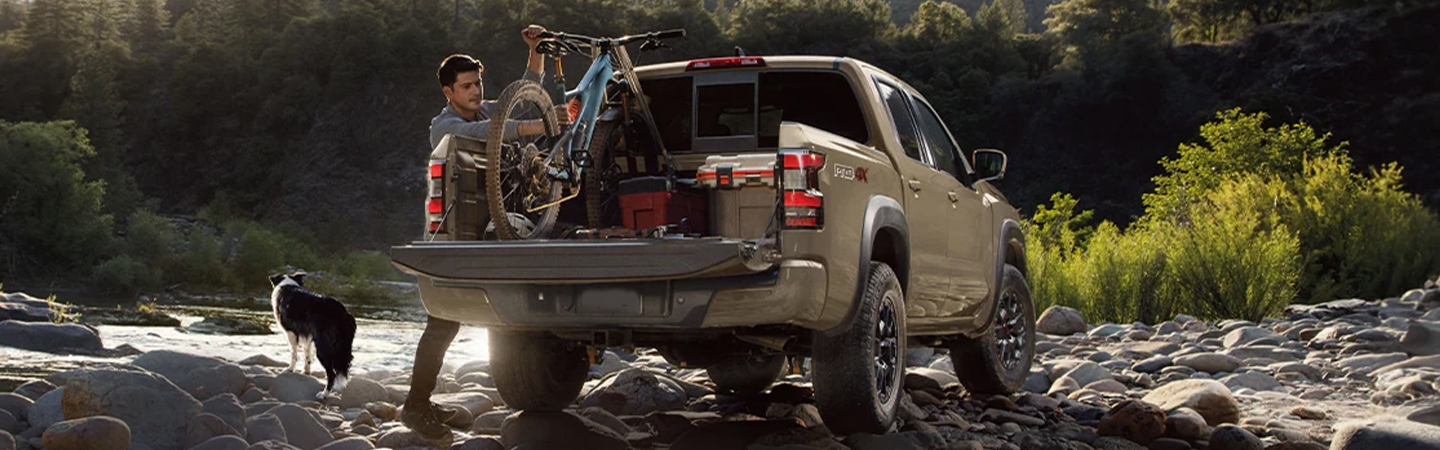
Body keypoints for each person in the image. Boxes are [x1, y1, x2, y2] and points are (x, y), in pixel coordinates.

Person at [401, 24, 557, 441]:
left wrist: (536, 52)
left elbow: (525, 97)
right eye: (467, 86)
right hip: (453, 233)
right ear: (448, 92)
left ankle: (424, 402)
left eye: (478, 83)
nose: (475, 91)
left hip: (493, 229)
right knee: (442, 323)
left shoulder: (487, 109)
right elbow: (494, 133)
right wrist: (540, 126)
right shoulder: (444, 127)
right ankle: (415, 407)